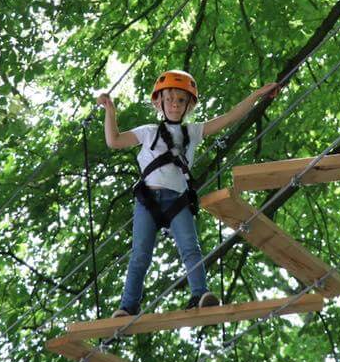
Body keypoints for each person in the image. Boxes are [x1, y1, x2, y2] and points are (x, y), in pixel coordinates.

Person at [97, 70, 278, 318]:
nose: (174, 104)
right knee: (140, 255)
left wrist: (256, 96)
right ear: (159, 102)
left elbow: (230, 117)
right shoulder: (148, 132)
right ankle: (128, 306)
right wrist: (110, 110)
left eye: (180, 100)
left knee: (191, 249)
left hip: (177, 200)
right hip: (148, 200)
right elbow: (114, 140)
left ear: (188, 105)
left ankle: (200, 295)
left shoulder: (192, 132)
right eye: (169, 99)